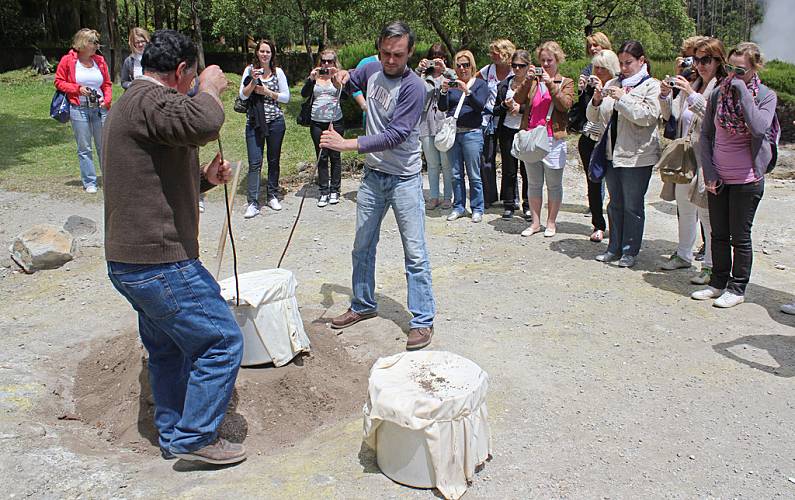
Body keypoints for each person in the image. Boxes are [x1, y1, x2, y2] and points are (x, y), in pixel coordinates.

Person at [102, 29, 246, 465]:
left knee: (166, 349)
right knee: (222, 341)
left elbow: (151, 181)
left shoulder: (136, 106)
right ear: (182, 71)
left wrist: (204, 178)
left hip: (135, 260)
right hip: (157, 262)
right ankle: (195, 438)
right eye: (192, 77)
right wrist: (211, 88)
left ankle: (172, 431)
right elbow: (204, 120)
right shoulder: (147, 100)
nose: (194, 85)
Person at [320, 21, 436, 350]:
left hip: (404, 178)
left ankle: (423, 320)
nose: (390, 60)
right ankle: (362, 304)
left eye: (398, 55)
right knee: (362, 245)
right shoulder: (370, 68)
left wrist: (347, 144)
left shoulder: (415, 87)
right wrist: (343, 75)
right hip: (373, 176)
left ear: (410, 52)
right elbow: (352, 78)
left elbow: (395, 135)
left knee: (415, 253)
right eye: (385, 53)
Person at [692, 42, 777, 308]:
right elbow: (706, 135)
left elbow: (760, 128)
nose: (733, 75)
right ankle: (718, 282)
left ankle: (737, 287)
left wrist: (742, 92)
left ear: (754, 69)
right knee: (718, 234)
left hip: (747, 179)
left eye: (740, 71)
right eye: (730, 68)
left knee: (740, 237)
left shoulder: (765, 95)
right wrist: (709, 171)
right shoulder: (718, 94)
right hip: (719, 176)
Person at [658, 37, 727, 285]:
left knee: (706, 214)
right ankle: (684, 254)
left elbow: (718, 118)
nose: (700, 65)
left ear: (719, 61)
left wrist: (691, 96)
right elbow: (672, 117)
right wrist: (666, 96)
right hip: (687, 157)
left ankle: (710, 265)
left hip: (708, 160)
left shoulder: (722, 86)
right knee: (684, 208)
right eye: (697, 60)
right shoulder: (694, 82)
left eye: (706, 60)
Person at [590, 40, 661, 268]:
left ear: (642, 61)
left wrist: (623, 98)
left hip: (637, 155)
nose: (623, 68)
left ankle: (630, 251)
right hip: (612, 153)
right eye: (620, 63)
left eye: (628, 63)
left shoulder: (651, 86)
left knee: (633, 205)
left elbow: (647, 117)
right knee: (615, 203)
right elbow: (595, 117)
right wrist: (596, 100)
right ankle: (614, 247)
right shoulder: (612, 82)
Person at [513, 41, 575, 237]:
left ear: (557, 61)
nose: (546, 64)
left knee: (554, 184)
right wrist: (528, 80)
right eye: (542, 61)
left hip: (553, 138)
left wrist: (550, 84)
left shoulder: (566, 82)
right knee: (533, 183)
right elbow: (517, 99)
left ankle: (551, 222)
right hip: (532, 137)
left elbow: (564, 105)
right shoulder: (532, 82)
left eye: (550, 60)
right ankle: (535, 222)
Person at [54, 28, 112, 194]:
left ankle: (108, 180)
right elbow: (59, 82)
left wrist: (106, 100)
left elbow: (107, 84)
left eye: (96, 42)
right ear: (82, 44)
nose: (96, 45)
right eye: (92, 42)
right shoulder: (68, 60)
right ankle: (89, 182)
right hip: (78, 108)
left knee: (104, 146)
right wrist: (78, 89)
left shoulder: (100, 61)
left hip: (100, 109)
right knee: (84, 147)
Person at [239, 39, 290, 218]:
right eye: (262, 51)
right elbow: (242, 96)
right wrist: (253, 81)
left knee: (273, 160)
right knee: (255, 163)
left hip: (275, 122)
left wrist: (266, 92)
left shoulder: (279, 72)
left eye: (268, 52)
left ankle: (272, 195)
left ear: (272, 54)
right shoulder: (249, 70)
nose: (265, 54)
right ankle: (253, 202)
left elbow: (286, 98)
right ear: (257, 53)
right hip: (254, 123)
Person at [438, 50, 489, 222]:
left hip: (472, 133)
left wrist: (467, 91)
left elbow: (480, 106)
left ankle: (477, 208)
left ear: (472, 66)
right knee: (455, 174)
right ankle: (458, 206)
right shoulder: (452, 84)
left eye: (465, 65)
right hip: (454, 134)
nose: (462, 69)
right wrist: (444, 92)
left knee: (474, 174)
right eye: (458, 65)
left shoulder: (480, 84)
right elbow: (443, 108)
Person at [578, 49, 620, 242]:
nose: (598, 71)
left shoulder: (619, 86)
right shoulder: (589, 84)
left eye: (603, 68)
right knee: (593, 182)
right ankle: (598, 224)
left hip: (612, 141)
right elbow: (584, 112)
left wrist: (605, 92)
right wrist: (588, 91)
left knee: (615, 187)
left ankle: (617, 227)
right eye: (595, 67)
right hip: (589, 137)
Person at [301, 49, 349, 207]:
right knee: (321, 156)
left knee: (335, 155)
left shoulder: (338, 77)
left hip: (335, 121)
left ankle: (335, 189)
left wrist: (337, 81)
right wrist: (310, 79)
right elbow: (303, 94)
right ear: (319, 62)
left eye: (330, 61)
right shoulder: (316, 77)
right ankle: (324, 191)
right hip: (317, 122)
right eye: (323, 61)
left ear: (335, 62)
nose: (326, 64)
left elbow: (346, 97)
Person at [477, 39, 515, 208]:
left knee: (510, 160)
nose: (492, 56)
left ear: (505, 53)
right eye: (491, 53)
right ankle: (489, 196)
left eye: (495, 52)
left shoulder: (516, 70)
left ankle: (510, 197)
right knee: (487, 158)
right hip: (489, 119)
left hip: (510, 119)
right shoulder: (488, 70)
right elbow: (474, 81)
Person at [494, 49, 531, 219]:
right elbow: (495, 110)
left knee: (527, 169)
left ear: (528, 66)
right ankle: (509, 203)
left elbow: (537, 108)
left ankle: (528, 204)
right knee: (509, 169)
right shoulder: (504, 85)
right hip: (507, 129)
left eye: (521, 66)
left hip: (526, 130)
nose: (517, 69)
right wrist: (505, 105)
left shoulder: (533, 84)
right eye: (514, 65)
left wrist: (520, 108)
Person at [416, 43, 452, 211]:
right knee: (431, 163)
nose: (436, 62)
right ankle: (434, 196)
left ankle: (448, 197)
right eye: (433, 58)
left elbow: (458, 80)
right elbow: (412, 90)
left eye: (440, 57)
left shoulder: (449, 74)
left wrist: (445, 70)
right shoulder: (423, 76)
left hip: (444, 123)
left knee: (446, 163)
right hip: (426, 122)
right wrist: (420, 71)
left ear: (445, 58)